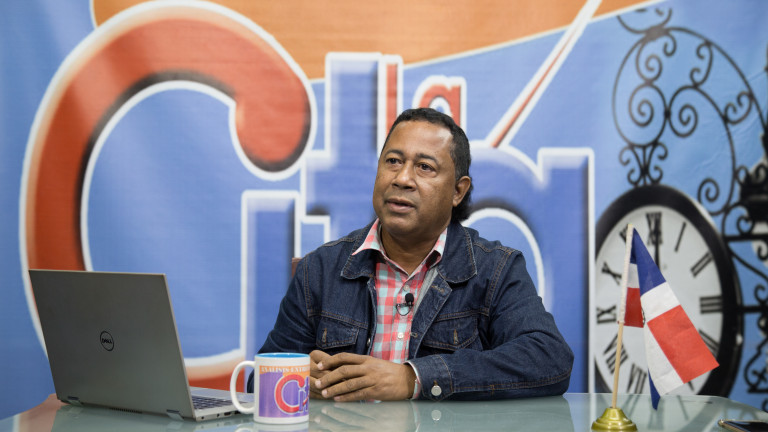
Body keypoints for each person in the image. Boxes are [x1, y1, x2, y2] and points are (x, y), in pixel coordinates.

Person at [249, 107, 573, 401]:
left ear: (458, 191)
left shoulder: (495, 269)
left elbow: (549, 359)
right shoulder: (320, 269)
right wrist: (298, 378)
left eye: (424, 167)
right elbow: (256, 385)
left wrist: (414, 379)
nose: (402, 179)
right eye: (393, 161)